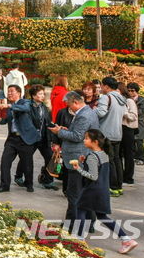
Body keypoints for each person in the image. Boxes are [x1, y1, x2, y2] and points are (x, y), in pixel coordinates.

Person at [72, 129, 138, 253]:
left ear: (95, 142)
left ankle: (79, 239)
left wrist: (78, 168)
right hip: (102, 190)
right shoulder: (104, 154)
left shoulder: (92, 156)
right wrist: (84, 161)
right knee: (102, 215)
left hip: (91, 190)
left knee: (80, 210)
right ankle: (126, 239)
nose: (84, 140)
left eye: (86, 138)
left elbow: (93, 176)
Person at [48, 91, 99, 231]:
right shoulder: (87, 112)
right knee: (84, 192)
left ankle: (72, 224)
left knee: (74, 193)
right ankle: (89, 223)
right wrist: (65, 129)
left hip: (78, 157)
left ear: (75, 102)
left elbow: (77, 136)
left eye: (69, 104)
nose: (69, 108)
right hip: (83, 156)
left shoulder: (84, 115)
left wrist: (59, 132)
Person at [0, 84, 39, 193]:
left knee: (27, 164)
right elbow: (7, 120)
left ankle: (29, 183)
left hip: (25, 139)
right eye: (8, 91)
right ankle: (4, 185)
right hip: (12, 139)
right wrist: (0, 119)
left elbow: (25, 108)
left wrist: (9, 106)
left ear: (19, 93)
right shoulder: (11, 107)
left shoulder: (26, 102)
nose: (9, 93)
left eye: (11, 91)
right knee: (5, 162)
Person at [14, 84, 57, 190]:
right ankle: (19, 176)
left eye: (43, 94)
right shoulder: (28, 106)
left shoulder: (44, 107)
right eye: (40, 94)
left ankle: (47, 180)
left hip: (43, 138)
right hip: (32, 137)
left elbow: (47, 122)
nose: (43, 96)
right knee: (25, 157)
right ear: (33, 96)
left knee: (49, 157)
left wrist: (54, 128)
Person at [96, 76, 126, 196]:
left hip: (106, 133)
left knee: (109, 161)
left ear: (106, 87)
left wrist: (93, 109)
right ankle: (119, 186)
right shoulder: (121, 98)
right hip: (117, 133)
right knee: (117, 160)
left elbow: (101, 113)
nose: (101, 88)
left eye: (102, 86)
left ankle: (112, 187)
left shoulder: (106, 97)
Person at [121, 82, 140, 184]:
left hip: (128, 129)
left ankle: (128, 177)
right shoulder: (122, 100)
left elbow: (133, 117)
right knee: (121, 154)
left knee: (128, 154)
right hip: (121, 128)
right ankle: (122, 175)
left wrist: (123, 112)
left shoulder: (129, 101)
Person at [133, 83, 144, 165]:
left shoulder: (142, 100)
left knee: (139, 141)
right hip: (131, 123)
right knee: (132, 141)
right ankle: (135, 157)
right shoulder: (127, 99)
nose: (131, 92)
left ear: (136, 91)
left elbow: (141, 112)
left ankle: (141, 158)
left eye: (133, 91)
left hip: (139, 124)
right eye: (129, 90)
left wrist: (133, 107)